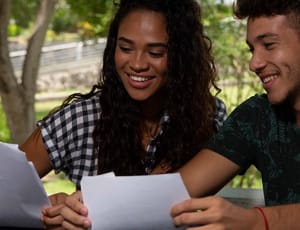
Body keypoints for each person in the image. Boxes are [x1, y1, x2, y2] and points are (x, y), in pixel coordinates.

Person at [19, 0, 226, 228]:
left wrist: (86, 208)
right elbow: (8, 187)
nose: (137, 64)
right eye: (125, 48)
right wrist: (46, 212)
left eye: (156, 53)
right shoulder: (81, 117)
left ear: (183, 57)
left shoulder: (204, 117)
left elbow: (151, 200)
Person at [169, 0, 300, 229]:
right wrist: (92, 209)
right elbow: (173, 192)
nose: (254, 63)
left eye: (268, 45)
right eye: (252, 49)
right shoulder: (257, 117)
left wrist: (256, 221)